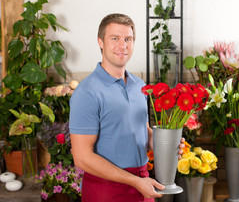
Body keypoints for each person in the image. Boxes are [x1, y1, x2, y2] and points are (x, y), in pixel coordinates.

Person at [69, 13, 180, 202]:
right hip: (105, 191)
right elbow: (81, 157)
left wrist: (166, 144)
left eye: (128, 39)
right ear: (100, 42)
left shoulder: (139, 86)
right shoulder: (86, 92)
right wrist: (134, 181)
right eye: (115, 38)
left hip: (143, 185)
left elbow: (140, 130)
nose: (123, 45)